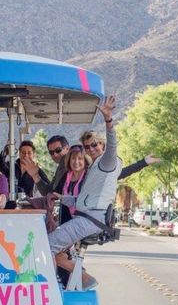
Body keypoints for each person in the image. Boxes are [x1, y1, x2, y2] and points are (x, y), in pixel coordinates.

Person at [48, 96, 122, 289]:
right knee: (55, 250)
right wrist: (62, 198)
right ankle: (83, 279)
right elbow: (81, 200)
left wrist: (108, 119)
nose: (92, 149)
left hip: (88, 221)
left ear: (102, 145)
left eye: (95, 144)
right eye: (88, 147)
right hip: (85, 218)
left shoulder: (107, 162)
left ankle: (43, 290)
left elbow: (112, 145)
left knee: (44, 246)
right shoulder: (95, 168)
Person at [54, 144, 92, 224]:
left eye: (80, 158)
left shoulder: (89, 176)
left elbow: (86, 200)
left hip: (83, 219)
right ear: (69, 160)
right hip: (65, 219)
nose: (76, 162)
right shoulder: (66, 176)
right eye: (73, 158)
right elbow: (55, 193)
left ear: (85, 161)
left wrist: (63, 198)